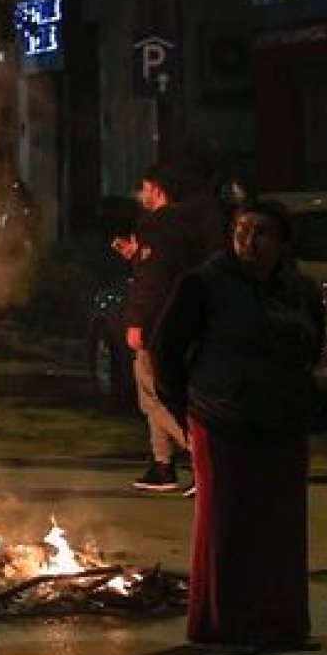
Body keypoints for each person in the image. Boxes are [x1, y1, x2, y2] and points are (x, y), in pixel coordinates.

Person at [151, 200, 325, 652]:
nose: (250, 242)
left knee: (282, 527)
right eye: (242, 231)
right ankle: (224, 626)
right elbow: (165, 347)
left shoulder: (299, 290)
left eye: (262, 232)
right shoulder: (204, 284)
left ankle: (282, 624)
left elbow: (311, 343)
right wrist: (183, 405)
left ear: (282, 241)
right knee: (227, 526)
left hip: (284, 421)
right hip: (223, 420)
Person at [122, 165, 225, 494]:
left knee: (154, 396)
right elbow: (171, 268)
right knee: (155, 393)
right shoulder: (190, 225)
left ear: (156, 189)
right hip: (184, 320)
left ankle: (201, 457)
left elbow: (153, 279)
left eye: (144, 188)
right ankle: (162, 465)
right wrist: (137, 254)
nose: (141, 195)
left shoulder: (156, 225)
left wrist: (137, 321)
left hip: (157, 324)